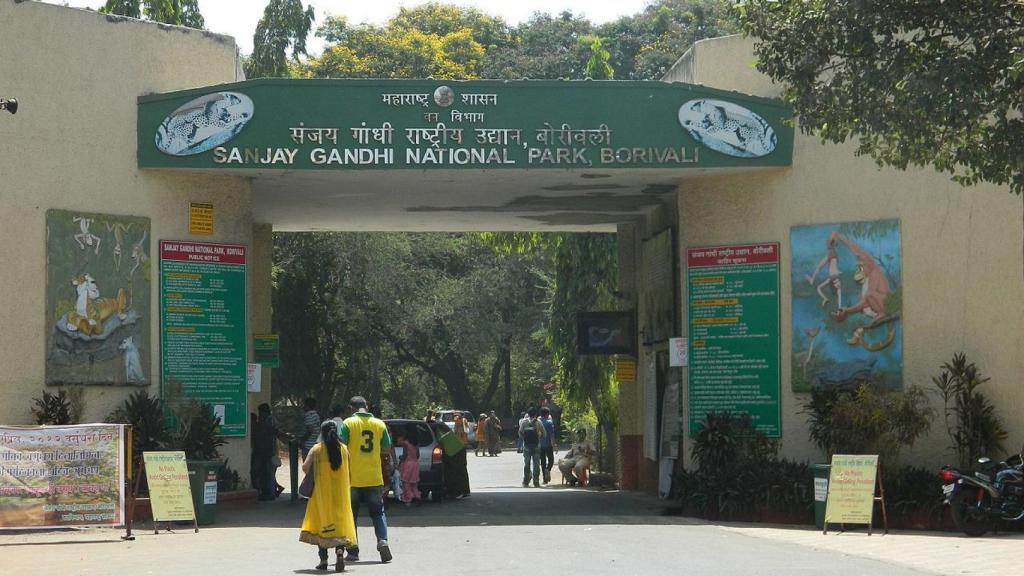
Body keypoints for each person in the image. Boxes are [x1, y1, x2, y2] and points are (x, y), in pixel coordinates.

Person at [339, 396, 393, 564]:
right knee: (378, 512)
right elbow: (386, 449)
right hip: (373, 477)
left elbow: (340, 446)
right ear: (366, 407)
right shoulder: (379, 424)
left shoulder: (347, 423)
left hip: (352, 478)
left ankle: (353, 551)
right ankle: (382, 540)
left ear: (351, 408)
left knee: (351, 515)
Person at [299, 420, 357, 573]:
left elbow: (305, 467)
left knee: (321, 523)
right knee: (340, 523)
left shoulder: (317, 449)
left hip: (321, 494)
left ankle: (323, 560)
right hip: (341, 493)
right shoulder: (344, 449)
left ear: (322, 432)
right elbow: (349, 471)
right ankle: (339, 552)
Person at [252, 403, 292, 500]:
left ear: (264, 412)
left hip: (268, 450)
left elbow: (274, 432)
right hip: (268, 450)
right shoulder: (268, 420)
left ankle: (270, 493)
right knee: (268, 472)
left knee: (267, 472)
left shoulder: (268, 421)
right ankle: (273, 491)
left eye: (260, 412)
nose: (259, 415)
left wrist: (288, 439)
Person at [444, 413, 471, 499]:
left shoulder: (460, 420)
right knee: (462, 468)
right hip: (461, 445)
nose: (454, 418)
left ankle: (461, 491)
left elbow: (461, 431)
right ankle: (465, 491)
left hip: (459, 445)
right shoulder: (463, 421)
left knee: (460, 469)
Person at [519, 408, 545, 488]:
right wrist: (539, 439)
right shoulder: (538, 422)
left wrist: (525, 440)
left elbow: (520, 433)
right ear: (535, 414)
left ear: (528, 414)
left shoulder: (524, 422)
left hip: (526, 446)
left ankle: (526, 480)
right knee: (536, 464)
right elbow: (544, 433)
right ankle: (536, 481)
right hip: (536, 446)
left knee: (527, 464)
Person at [394, 433, 421, 506]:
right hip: (415, 465)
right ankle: (417, 496)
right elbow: (418, 455)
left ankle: (409, 498)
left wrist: (400, 458)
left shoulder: (406, 444)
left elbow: (405, 455)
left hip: (407, 465)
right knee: (414, 484)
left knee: (406, 483)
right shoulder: (416, 445)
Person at [539, 407, 556, 484]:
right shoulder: (549, 422)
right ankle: (548, 469)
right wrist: (554, 445)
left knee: (543, 461)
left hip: (540, 445)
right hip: (548, 444)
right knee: (551, 460)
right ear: (546, 414)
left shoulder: (538, 422)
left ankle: (544, 479)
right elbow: (552, 435)